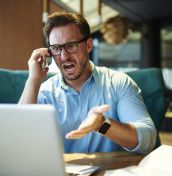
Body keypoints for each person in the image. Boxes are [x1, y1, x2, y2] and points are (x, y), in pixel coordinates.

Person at [19, 12, 157, 154]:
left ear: (89, 45)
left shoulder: (118, 83)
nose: (64, 56)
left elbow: (148, 140)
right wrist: (33, 80)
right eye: (56, 48)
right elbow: (19, 140)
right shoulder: (45, 92)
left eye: (71, 46)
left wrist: (102, 124)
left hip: (109, 174)